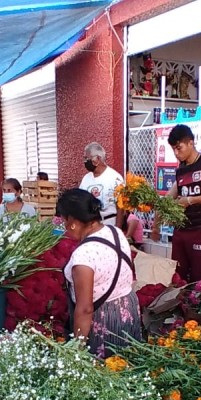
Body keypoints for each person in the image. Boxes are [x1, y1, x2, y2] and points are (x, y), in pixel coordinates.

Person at [58, 188, 142, 358]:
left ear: (72, 221)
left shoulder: (83, 256)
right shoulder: (116, 232)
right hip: (127, 309)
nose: (64, 226)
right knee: (126, 365)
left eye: (63, 220)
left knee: (102, 373)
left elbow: (85, 309)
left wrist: (77, 350)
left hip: (102, 322)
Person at [165, 124, 201, 283]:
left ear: (191, 143)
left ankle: (196, 307)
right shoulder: (180, 170)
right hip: (180, 230)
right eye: (173, 150)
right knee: (178, 276)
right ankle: (179, 306)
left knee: (199, 278)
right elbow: (176, 197)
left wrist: (190, 200)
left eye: (179, 148)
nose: (177, 153)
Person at [79, 142, 124, 227]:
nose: (84, 162)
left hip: (108, 224)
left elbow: (121, 207)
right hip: (90, 226)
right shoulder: (86, 178)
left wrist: (118, 230)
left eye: (86, 158)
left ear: (98, 159)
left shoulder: (115, 178)